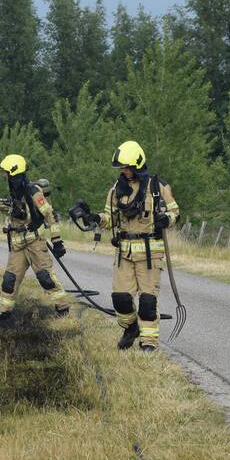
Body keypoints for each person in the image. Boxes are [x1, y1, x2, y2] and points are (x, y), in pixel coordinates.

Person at [72, 140, 180, 351]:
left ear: (138, 164)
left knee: (148, 302)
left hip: (150, 254)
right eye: (122, 168)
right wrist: (93, 217)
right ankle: (130, 327)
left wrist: (165, 219)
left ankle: (148, 343)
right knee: (120, 299)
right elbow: (110, 219)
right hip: (124, 253)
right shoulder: (115, 190)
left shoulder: (157, 187)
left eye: (127, 167)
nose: (124, 171)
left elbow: (175, 212)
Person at [0, 154, 73, 319]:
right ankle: (3, 312)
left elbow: (49, 215)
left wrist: (57, 241)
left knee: (46, 278)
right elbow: (13, 207)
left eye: (6, 173)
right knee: (10, 280)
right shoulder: (15, 192)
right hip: (18, 246)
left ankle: (63, 310)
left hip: (35, 244)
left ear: (14, 173)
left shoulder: (33, 191)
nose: (4, 176)